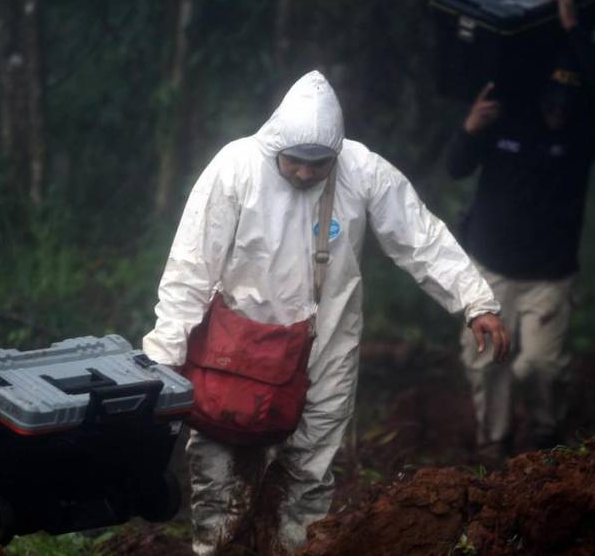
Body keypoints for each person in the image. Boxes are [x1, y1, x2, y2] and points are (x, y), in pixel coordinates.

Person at [142, 70, 510, 555]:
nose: (304, 173)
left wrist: (474, 301)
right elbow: (190, 268)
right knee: (221, 469)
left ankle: (294, 548)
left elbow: (420, 237)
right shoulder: (235, 168)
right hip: (237, 352)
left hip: (326, 345)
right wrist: (164, 357)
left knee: (310, 470)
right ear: (276, 143)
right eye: (295, 162)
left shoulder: (364, 170)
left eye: (319, 165)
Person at [447, 0, 595, 461]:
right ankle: (492, 445)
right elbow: (456, 167)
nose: (557, 111)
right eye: (551, 102)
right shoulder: (505, 118)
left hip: (549, 273)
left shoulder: (583, 134)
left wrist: (573, 31)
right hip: (489, 265)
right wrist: (470, 128)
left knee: (541, 365)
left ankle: (546, 437)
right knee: (486, 363)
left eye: (567, 102)